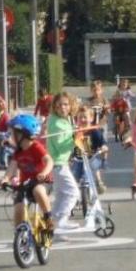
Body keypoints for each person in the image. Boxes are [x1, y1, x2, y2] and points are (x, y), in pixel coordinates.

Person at [0, 114, 54, 229]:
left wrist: (44, 173)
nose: (11, 136)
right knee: (19, 208)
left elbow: (49, 161)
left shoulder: (36, 147)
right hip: (25, 184)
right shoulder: (18, 152)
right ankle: (20, 233)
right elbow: (12, 168)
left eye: (13, 133)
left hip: (42, 181)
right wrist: (5, 179)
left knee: (38, 190)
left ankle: (48, 217)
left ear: (22, 135)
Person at [46, 92, 80, 229]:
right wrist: (75, 140)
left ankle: (53, 224)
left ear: (70, 106)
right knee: (73, 192)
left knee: (61, 194)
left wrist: (74, 134)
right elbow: (61, 146)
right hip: (58, 163)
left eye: (66, 104)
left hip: (60, 163)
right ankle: (62, 219)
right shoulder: (57, 123)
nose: (63, 107)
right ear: (54, 106)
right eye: (59, 105)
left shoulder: (63, 120)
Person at [72, 106, 108, 194]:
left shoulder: (94, 131)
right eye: (80, 117)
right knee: (75, 176)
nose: (83, 119)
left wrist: (103, 146)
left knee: (92, 169)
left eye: (85, 117)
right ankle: (76, 196)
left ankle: (98, 182)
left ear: (91, 118)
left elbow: (102, 142)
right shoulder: (75, 132)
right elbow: (69, 144)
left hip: (91, 157)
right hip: (78, 158)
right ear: (77, 119)